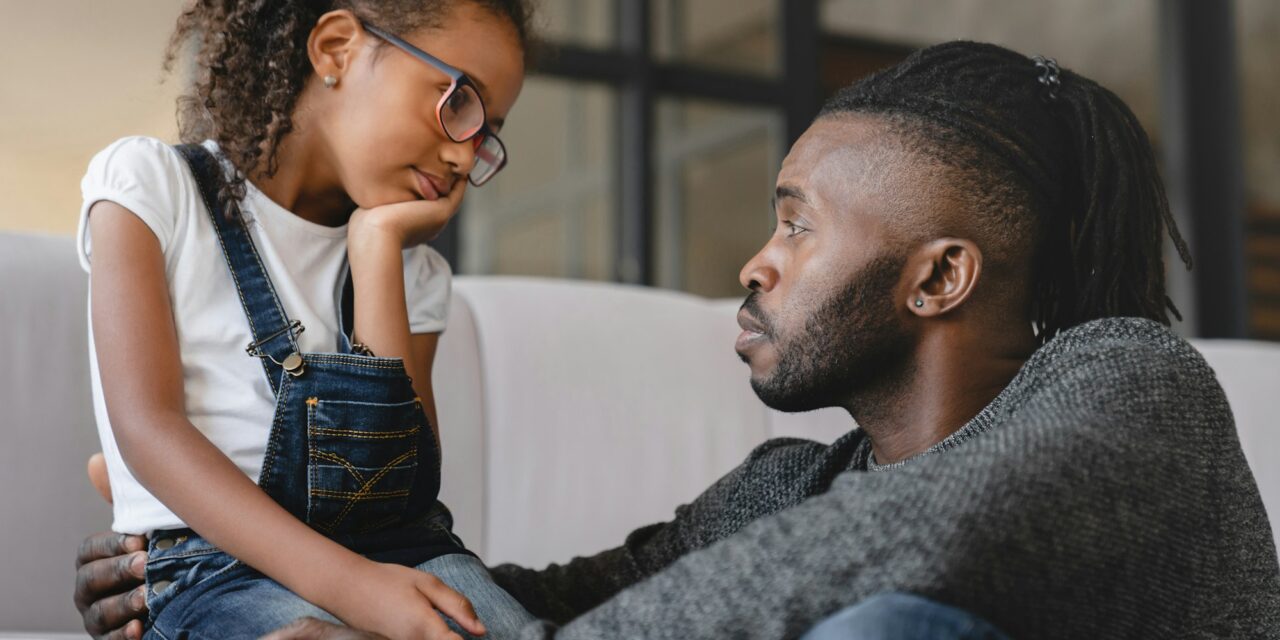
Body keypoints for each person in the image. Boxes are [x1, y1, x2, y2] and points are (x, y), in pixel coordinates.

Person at [75, 41, 1280, 639]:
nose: (753, 264)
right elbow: (549, 602)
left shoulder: (1128, 384)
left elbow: (931, 528)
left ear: (938, 277)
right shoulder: (791, 486)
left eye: (795, 225)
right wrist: (237, 577)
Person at [74, 1, 535, 638]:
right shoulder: (150, 188)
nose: (464, 156)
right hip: (217, 573)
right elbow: (148, 429)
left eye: (487, 134)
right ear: (336, 48)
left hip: (405, 554)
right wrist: (352, 587)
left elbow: (397, 494)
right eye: (459, 103)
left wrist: (376, 246)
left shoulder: (418, 273)